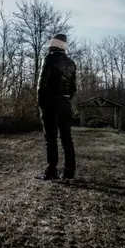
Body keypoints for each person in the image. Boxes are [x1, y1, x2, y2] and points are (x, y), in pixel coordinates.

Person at [36, 33, 77, 180]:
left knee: (51, 138)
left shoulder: (49, 59)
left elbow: (42, 84)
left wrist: (41, 104)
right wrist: (66, 100)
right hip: (65, 103)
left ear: (54, 44)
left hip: (50, 102)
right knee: (67, 138)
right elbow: (73, 88)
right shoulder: (71, 63)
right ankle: (69, 172)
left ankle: (51, 171)